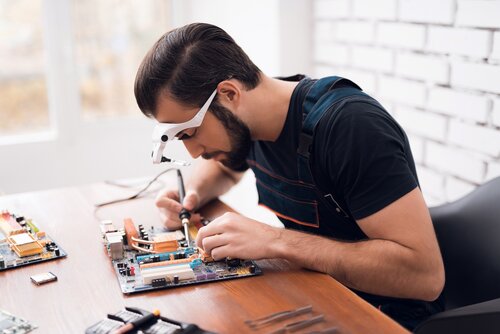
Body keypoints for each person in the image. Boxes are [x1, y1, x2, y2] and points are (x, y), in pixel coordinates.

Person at [134, 22, 445, 330]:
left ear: (228, 93)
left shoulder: (350, 127)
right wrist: (191, 196)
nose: (192, 152)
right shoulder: (250, 120)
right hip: (318, 293)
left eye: (190, 133)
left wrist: (276, 241)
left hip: (383, 315)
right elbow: (224, 166)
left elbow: (424, 277)